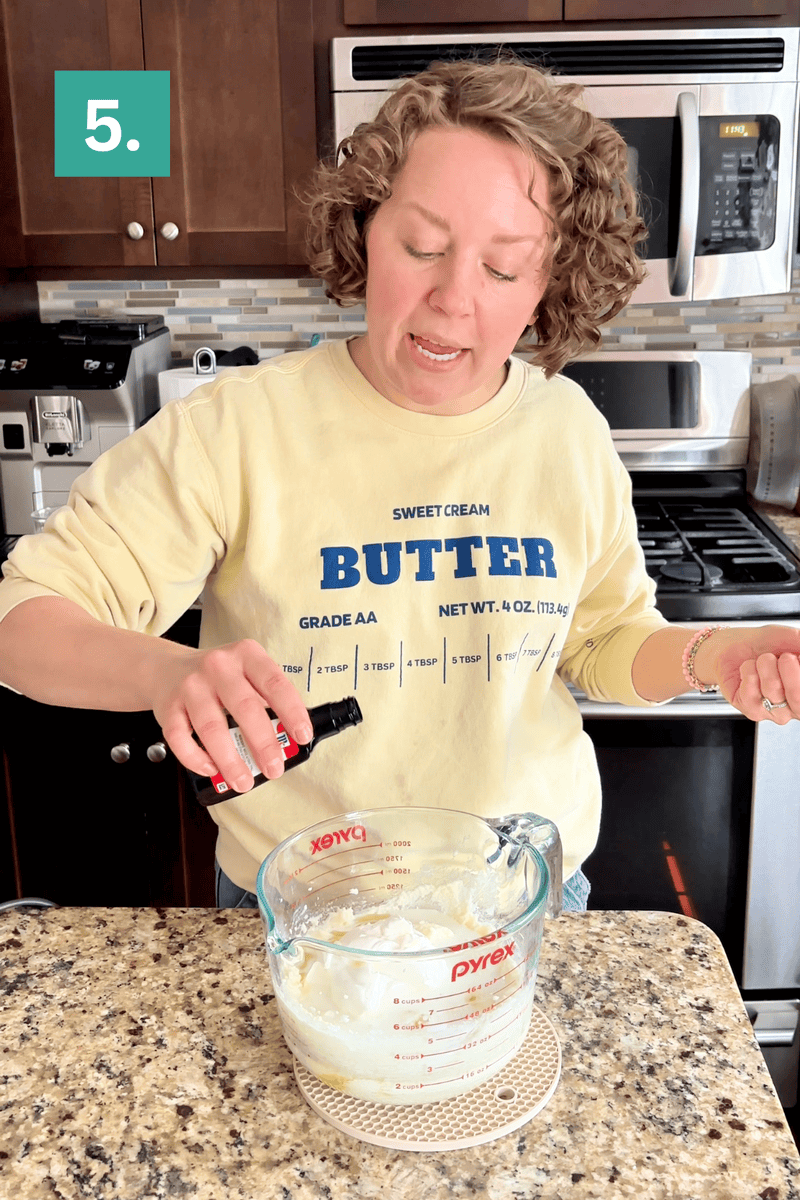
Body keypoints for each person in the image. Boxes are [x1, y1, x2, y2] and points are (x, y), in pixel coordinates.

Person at [0, 57, 798, 913]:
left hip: (521, 893)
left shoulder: (567, 432)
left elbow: (603, 640)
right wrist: (166, 675)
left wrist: (711, 656)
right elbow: (23, 626)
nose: (453, 298)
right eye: (421, 246)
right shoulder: (234, 430)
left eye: (503, 270)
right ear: (365, 226)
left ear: (547, 285)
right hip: (307, 898)